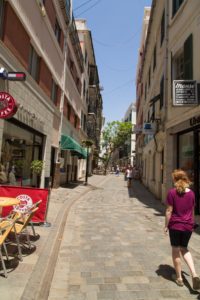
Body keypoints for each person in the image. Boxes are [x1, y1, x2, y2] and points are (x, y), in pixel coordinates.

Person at [164, 169, 200, 290]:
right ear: (185, 179)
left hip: (175, 226)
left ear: (174, 179)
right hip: (188, 226)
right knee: (184, 249)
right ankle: (194, 274)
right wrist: (192, 222)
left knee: (175, 250)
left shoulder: (172, 193)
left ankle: (179, 278)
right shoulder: (192, 193)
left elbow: (169, 211)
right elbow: (192, 211)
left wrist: (165, 225)